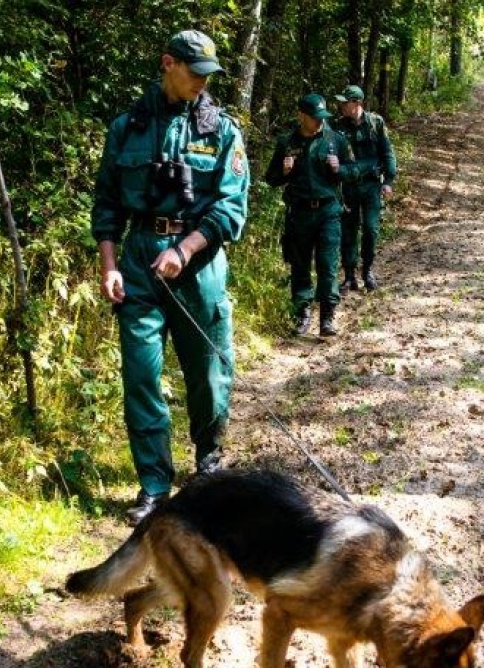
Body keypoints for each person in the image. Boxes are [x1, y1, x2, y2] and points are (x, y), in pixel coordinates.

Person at [91, 30, 250, 524]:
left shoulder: (221, 131)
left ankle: (207, 463)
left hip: (197, 263)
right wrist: (110, 265)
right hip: (138, 261)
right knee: (141, 375)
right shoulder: (127, 127)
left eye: (209, 75)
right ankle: (154, 488)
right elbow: (107, 204)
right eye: (195, 72)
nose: (202, 83)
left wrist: (185, 249)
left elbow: (231, 208)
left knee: (207, 370)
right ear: (168, 64)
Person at [264, 93, 361, 337]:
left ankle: (327, 316)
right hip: (299, 212)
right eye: (315, 117)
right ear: (302, 116)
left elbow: (354, 170)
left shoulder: (335, 140)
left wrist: (339, 169)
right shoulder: (287, 142)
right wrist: (285, 171)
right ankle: (302, 313)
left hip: (328, 211)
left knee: (328, 265)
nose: (319, 122)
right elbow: (271, 178)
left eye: (322, 117)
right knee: (300, 265)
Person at [332, 84, 397, 292]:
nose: (341, 105)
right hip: (348, 187)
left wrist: (388, 181)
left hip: (370, 186)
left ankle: (367, 269)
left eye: (345, 102)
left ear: (357, 103)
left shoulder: (375, 123)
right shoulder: (338, 127)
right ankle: (349, 275)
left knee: (370, 229)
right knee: (348, 232)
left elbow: (387, 153)